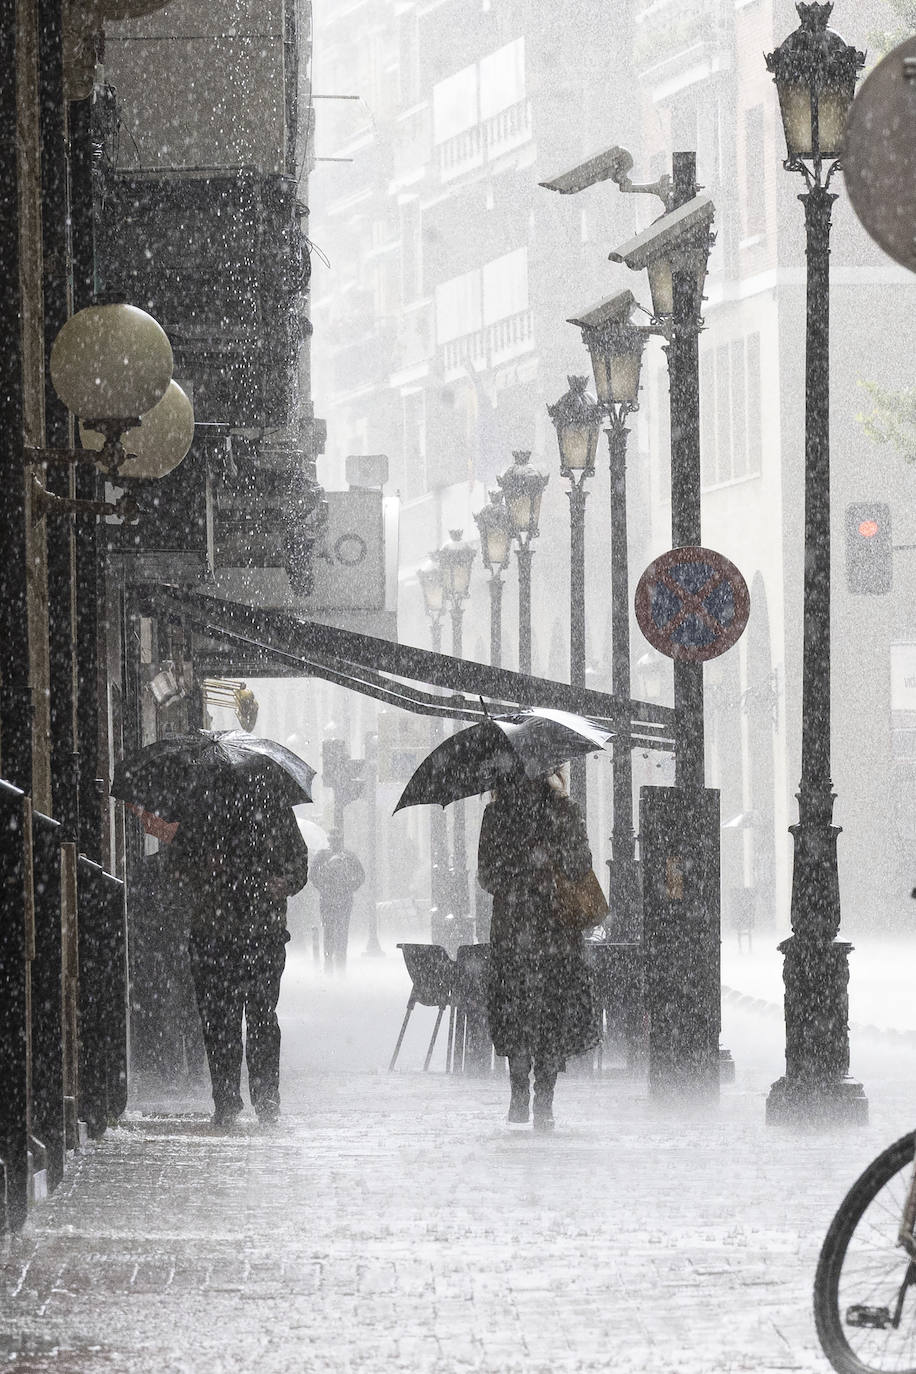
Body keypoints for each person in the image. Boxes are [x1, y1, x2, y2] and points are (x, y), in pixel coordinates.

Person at [170, 773, 309, 1127]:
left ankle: (261, 1098)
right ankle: (232, 1100)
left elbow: (298, 863)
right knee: (226, 1021)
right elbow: (178, 869)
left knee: (251, 1019)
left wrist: (284, 882)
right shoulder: (203, 812)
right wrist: (205, 870)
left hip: (253, 934)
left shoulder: (271, 809)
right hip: (223, 934)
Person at [477, 769, 599, 1131]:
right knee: (552, 1012)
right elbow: (582, 865)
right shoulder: (566, 811)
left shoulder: (497, 814)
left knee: (515, 1010)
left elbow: (486, 875)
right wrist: (551, 862)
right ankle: (544, 1099)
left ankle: (519, 1093)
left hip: (513, 931)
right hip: (557, 929)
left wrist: (517, 877)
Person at [309, 830, 366, 974]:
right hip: (342, 899)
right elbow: (361, 876)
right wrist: (349, 888)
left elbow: (312, 875)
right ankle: (339, 964)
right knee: (341, 932)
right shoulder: (349, 856)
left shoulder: (322, 856)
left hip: (330, 899)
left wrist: (323, 887)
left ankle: (330, 964)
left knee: (329, 932)